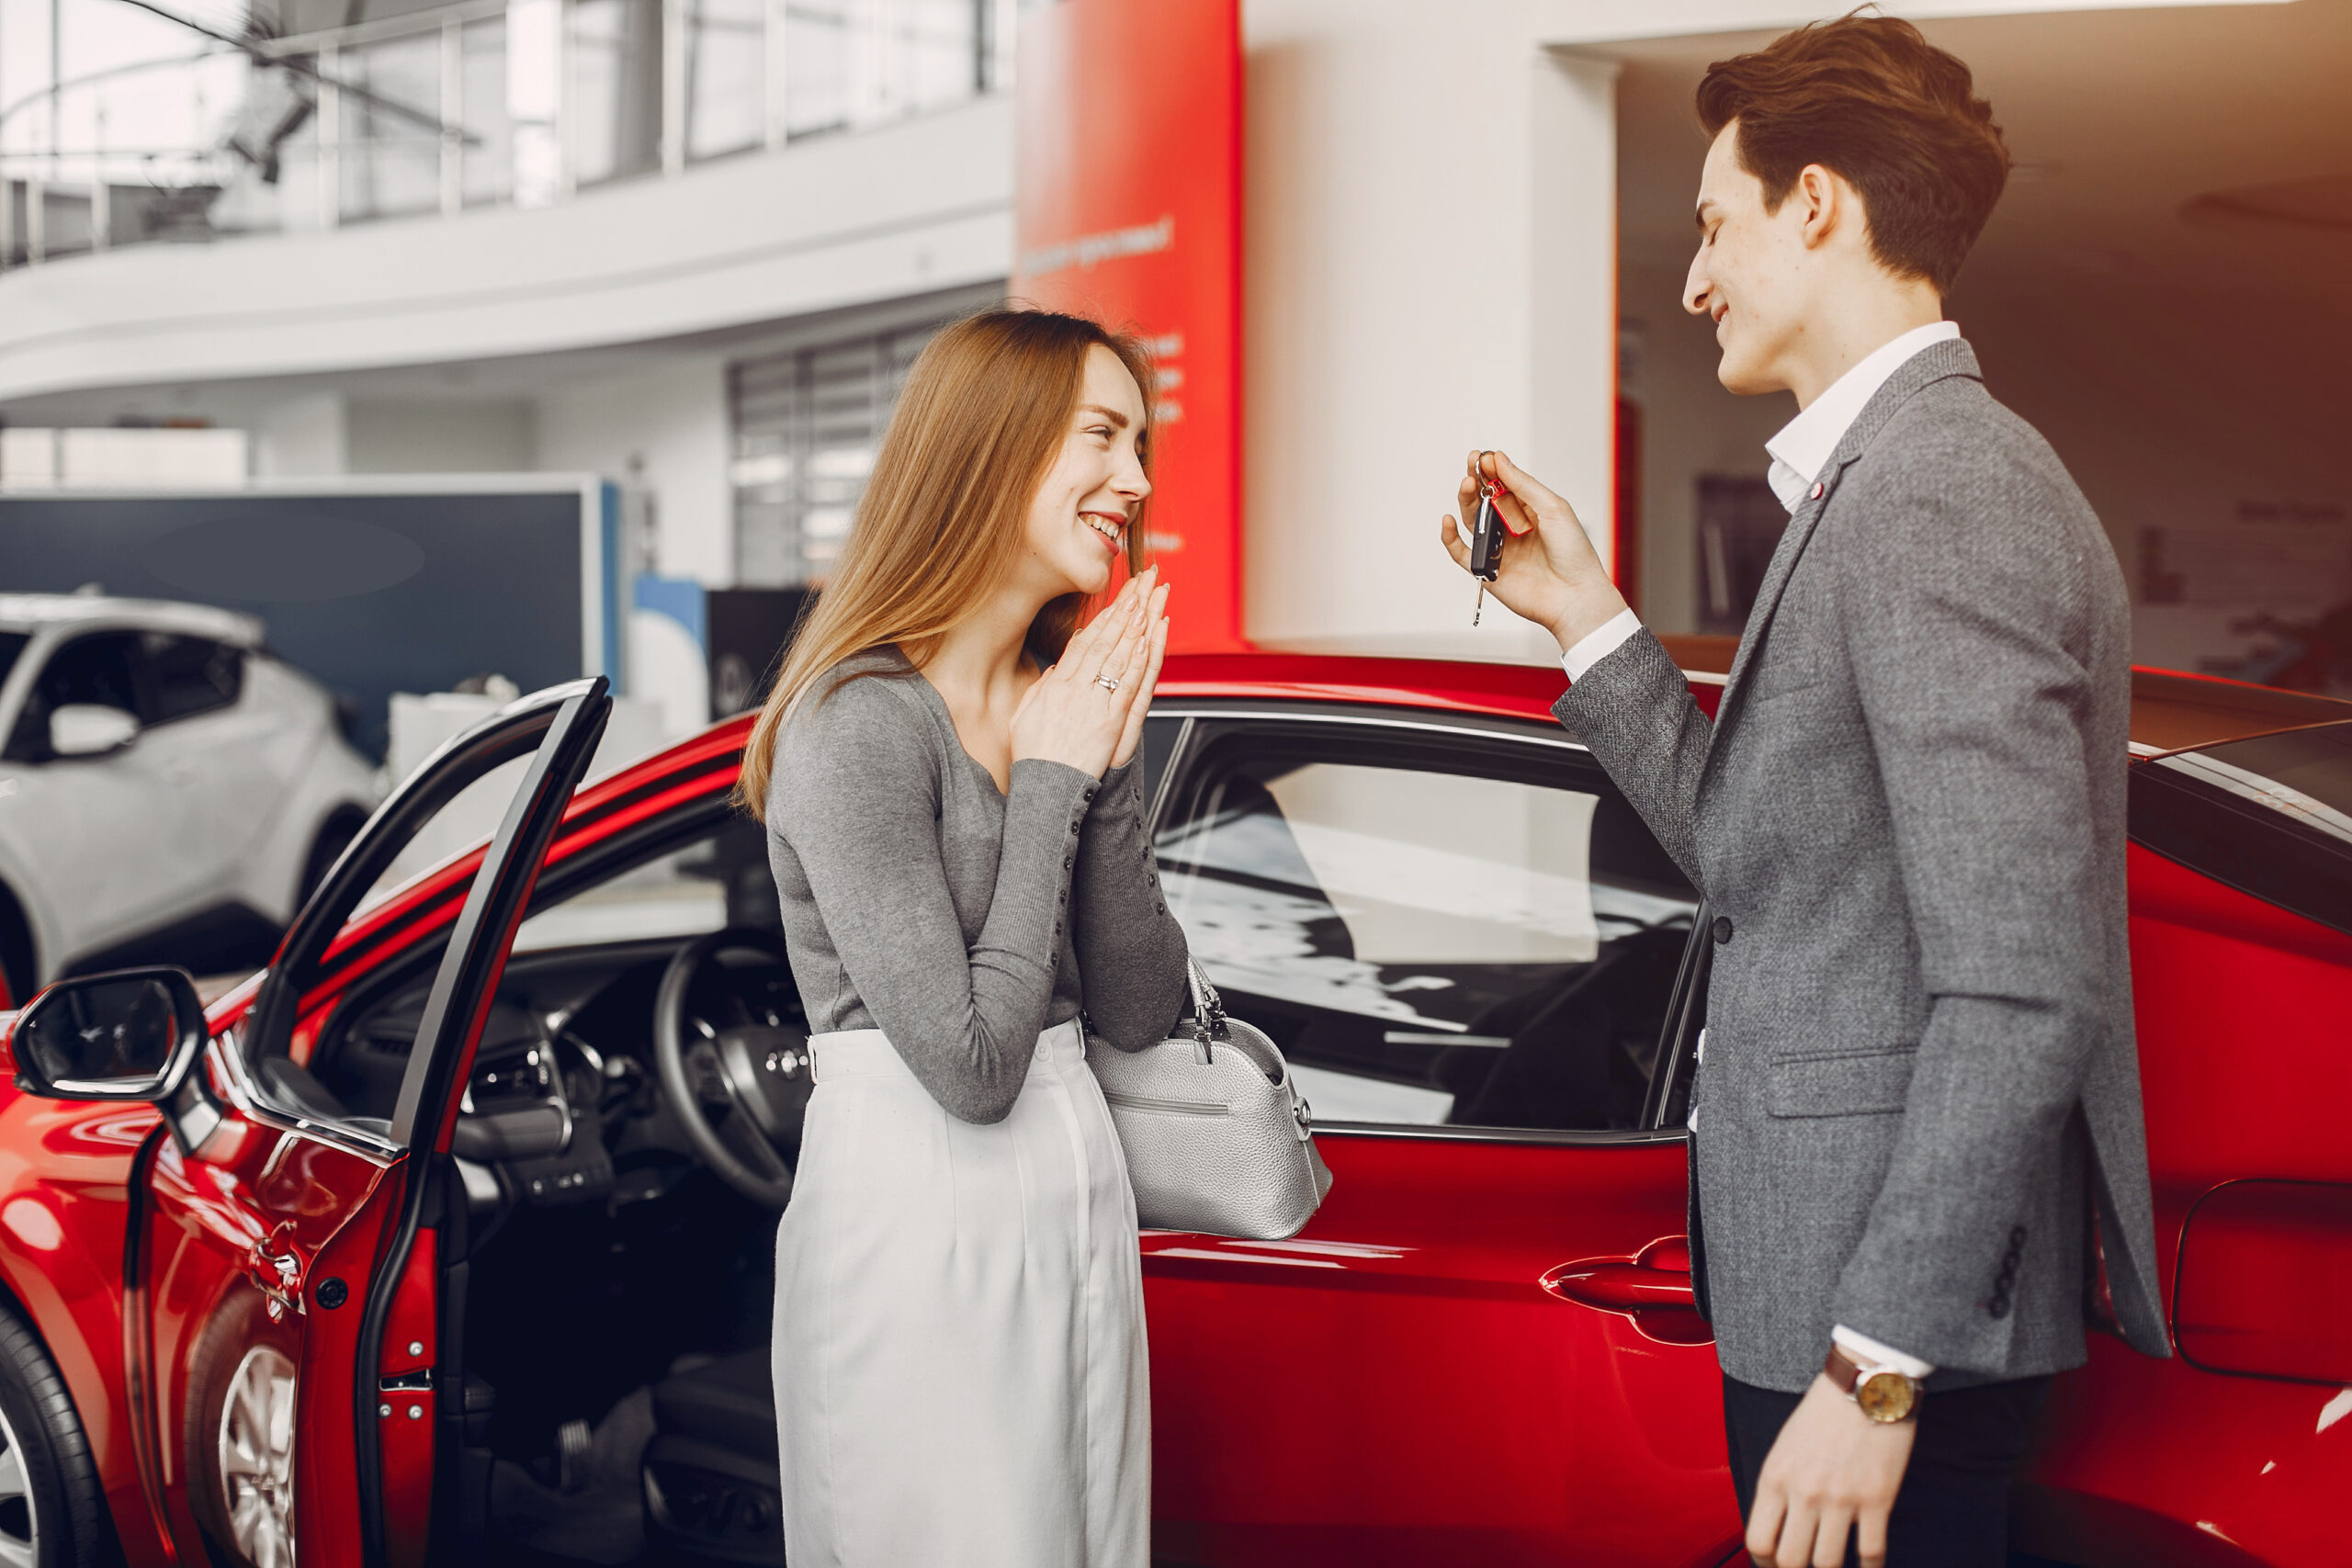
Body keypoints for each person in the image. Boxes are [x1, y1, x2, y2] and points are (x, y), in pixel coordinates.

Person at [1440, 16, 2169, 1568]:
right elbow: (1762, 861)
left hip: (1889, 1339)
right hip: (1829, 1298)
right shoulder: (1886, 482)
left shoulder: (1941, 492)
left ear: (1818, 206)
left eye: (1716, 224)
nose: (1695, 277)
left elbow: (2026, 988)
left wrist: (1875, 1366)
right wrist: (1586, 617)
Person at [737, 308, 1191, 1568]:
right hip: (921, 1215)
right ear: (989, 449)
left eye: (1140, 444)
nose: (1137, 482)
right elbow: (973, 1067)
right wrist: (1052, 774)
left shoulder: (1068, 694)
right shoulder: (858, 724)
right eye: (1102, 436)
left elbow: (1140, 1009)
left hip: (1074, 1190)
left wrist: (1091, 767)